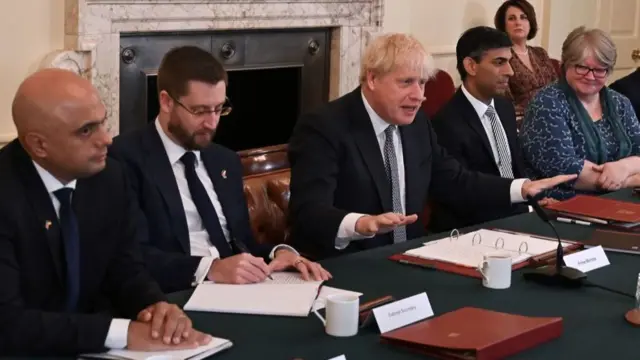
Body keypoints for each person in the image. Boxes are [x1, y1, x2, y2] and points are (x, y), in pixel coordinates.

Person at [287, 33, 576, 259]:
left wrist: (520, 189)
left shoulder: (417, 123)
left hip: (412, 257)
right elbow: (308, 211)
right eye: (406, 83)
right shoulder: (324, 126)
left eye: (422, 83)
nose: (419, 95)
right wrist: (360, 224)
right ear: (372, 79)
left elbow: (453, 179)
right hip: (350, 263)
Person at [0, 68, 211, 356]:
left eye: (103, 122)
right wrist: (120, 333)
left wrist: (154, 307)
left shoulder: (109, 177)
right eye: (86, 131)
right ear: (39, 144)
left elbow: (125, 268)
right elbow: (8, 323)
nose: (107, 139)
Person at [109, 46, 331, 293]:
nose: (212, 122)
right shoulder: (124, 158)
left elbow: (241, 245)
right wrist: (211, 268)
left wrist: (280, 253)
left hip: (237, 292)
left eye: (219, 109)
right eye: (200, 110)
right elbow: (131, 255)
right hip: (174, 295)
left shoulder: (223, 160)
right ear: (166, 102)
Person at [430, 26, 556, 233]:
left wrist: (534, 202)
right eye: (499, 63)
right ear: (471, 66)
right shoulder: (446, 122)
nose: (510, 71)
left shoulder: (504, 107)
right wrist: (521, 209)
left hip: (515, 216)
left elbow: (515, 168)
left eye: (510, 61)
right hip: (473, 229)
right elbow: (461, 194)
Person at [521, 27, 640, 200]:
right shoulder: (547, 104)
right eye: (582, 67)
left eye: (600, 70)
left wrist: (624, 167)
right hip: (563, 204)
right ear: (565, 64)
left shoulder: (620, 102)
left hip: (622, 201)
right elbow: (569, 172)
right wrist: (627, 180)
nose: (590, 76)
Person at [494, 0, 558, 119]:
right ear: (503, 25)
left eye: (523, 17)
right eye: (512, 18)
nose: (518, 22)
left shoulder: (540, 53)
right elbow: (504, 102)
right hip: (523, 120)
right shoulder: (501, 58)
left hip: (555, 113)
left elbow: (557, 87)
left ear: (530, 22)